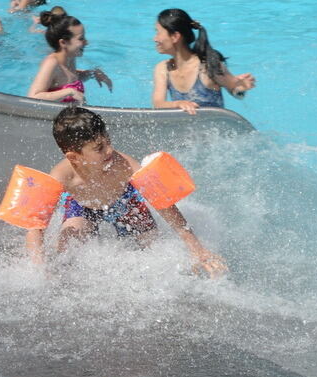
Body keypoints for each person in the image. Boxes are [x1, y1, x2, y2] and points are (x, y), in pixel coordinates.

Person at [24, 106, 227, 277]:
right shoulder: (62, 176)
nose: (110, 150)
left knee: (153, 248)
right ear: (74, 157)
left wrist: (196, 248)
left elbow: (162, 202)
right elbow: (36, 225)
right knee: (65, 248)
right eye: (99, 148)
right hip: (83, 207)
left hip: (125, 202)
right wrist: (39, 267)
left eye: (108, 141)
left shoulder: (124, 165)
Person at [152, 8, 255, 115]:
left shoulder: (207, 67)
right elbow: (158, 104)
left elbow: (236, 91)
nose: (155, 39)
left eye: (158, 32)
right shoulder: (163, 68)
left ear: (175, 37)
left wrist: (242, 87)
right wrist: (177, 104)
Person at [27, 13, 112, 104]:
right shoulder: (52, 63)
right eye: (81, 38)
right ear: (63, 43)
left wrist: (92, 73)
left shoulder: (70, 58)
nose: (86, 43)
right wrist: (69, 92)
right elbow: (33, 97)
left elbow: (68, 78)